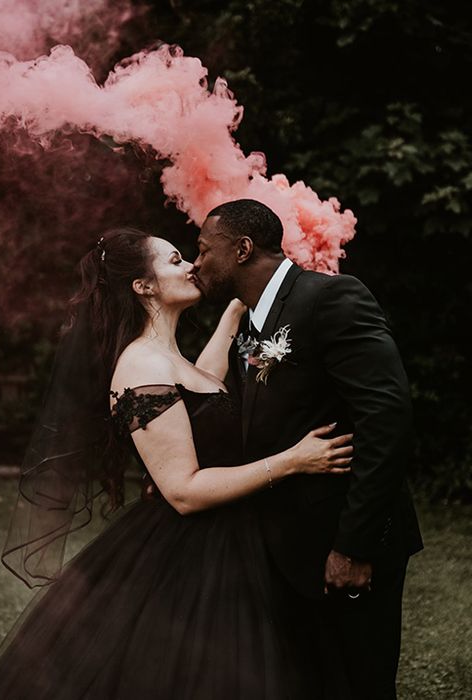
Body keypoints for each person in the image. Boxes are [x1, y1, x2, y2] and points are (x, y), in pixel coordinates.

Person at [0, 227, 355, 699]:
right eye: (175, 260)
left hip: (237, 534)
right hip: (194, 553)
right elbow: (183, 490)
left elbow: (207, 390)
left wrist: (238, 305)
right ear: (143, 286)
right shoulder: (141, 366)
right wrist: (293, 461)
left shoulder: (169, 361)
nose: (191, 266)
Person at [191, 199, 424, 699]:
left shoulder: (332, 298)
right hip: (282, 548)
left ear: (243, 249)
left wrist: (353, 546)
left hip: (343, 544)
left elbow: (387, 417)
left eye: (204, 250)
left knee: (359, 684)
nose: (197, 263)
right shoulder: (251, 321)